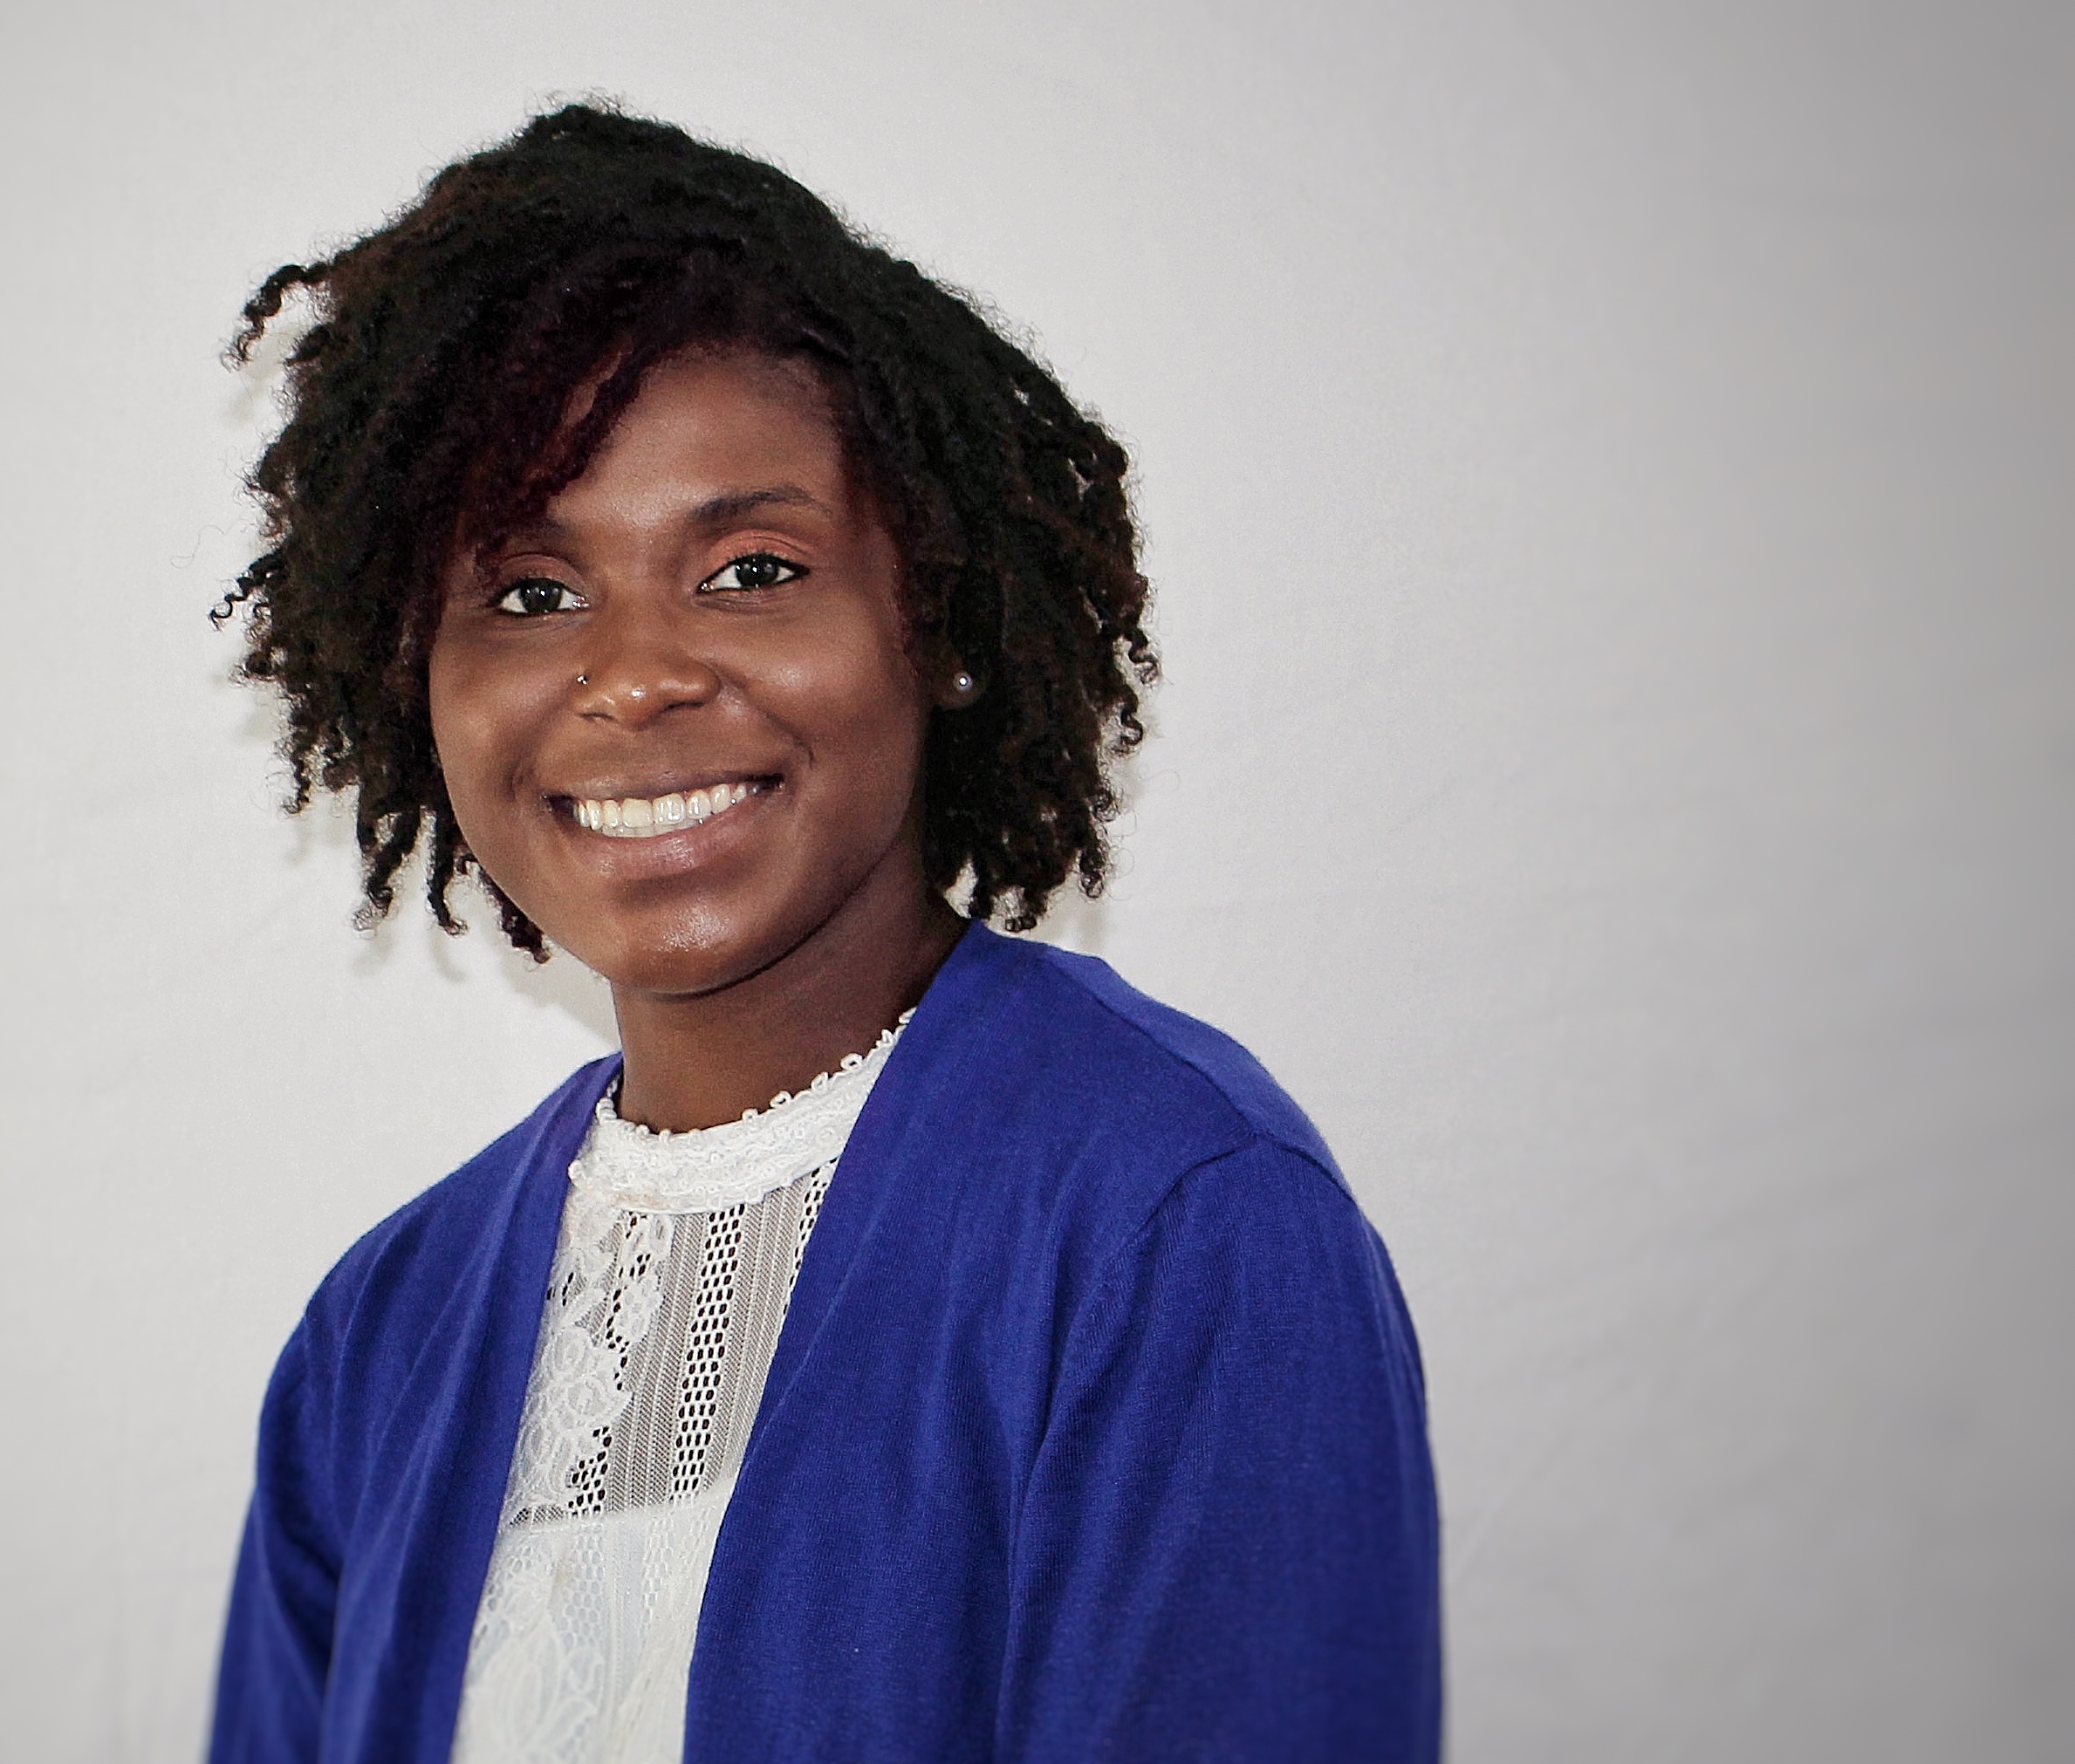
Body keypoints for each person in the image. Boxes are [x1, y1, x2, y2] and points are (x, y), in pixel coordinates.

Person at [206, 103, 1440, 1764]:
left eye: (751, 567)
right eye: (530, 594)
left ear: (933, 621)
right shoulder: (381, 1332)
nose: (634, 676)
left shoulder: (1172, 1220)